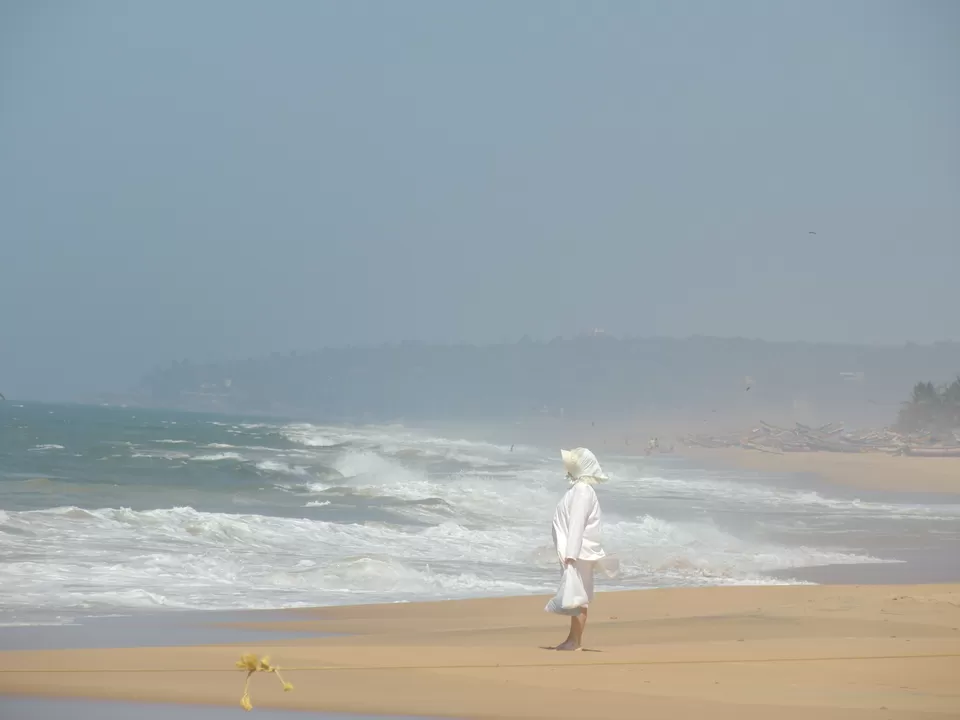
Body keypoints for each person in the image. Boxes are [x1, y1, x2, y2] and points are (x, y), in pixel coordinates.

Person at [549, 447, 609, 650]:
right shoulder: (577, 489)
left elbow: (577, 523)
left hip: (579, 552)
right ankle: (572, 639)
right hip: (576, 552)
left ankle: (574, 641)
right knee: (576, 595)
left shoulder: (582, 490)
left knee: (579, 597)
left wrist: (571, 554)